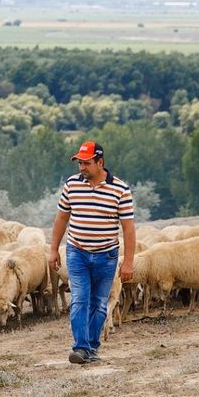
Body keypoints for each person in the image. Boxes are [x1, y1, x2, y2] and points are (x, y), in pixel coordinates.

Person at [47, 141, 135, 365]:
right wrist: (53, 249)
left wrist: (128, 263)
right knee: (79, 299)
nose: (81, 167)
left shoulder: (120, 189)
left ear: (100, 162)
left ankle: (92, 347)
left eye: (86, 163)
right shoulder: (72, 185)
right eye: (79, 163)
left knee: (98, 302)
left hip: (106, 255)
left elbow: (128, 228)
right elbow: (61, 218)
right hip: (77, 252)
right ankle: (80, 347)